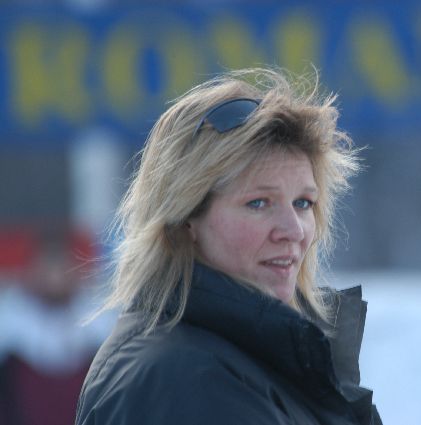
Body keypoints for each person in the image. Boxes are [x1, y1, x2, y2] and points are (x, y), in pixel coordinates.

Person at [75, 68, 382, 425]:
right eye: (258, 203)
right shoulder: (183, 382)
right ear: (184, 218)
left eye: (303, 203)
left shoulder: (248, 362)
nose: (294, 230)